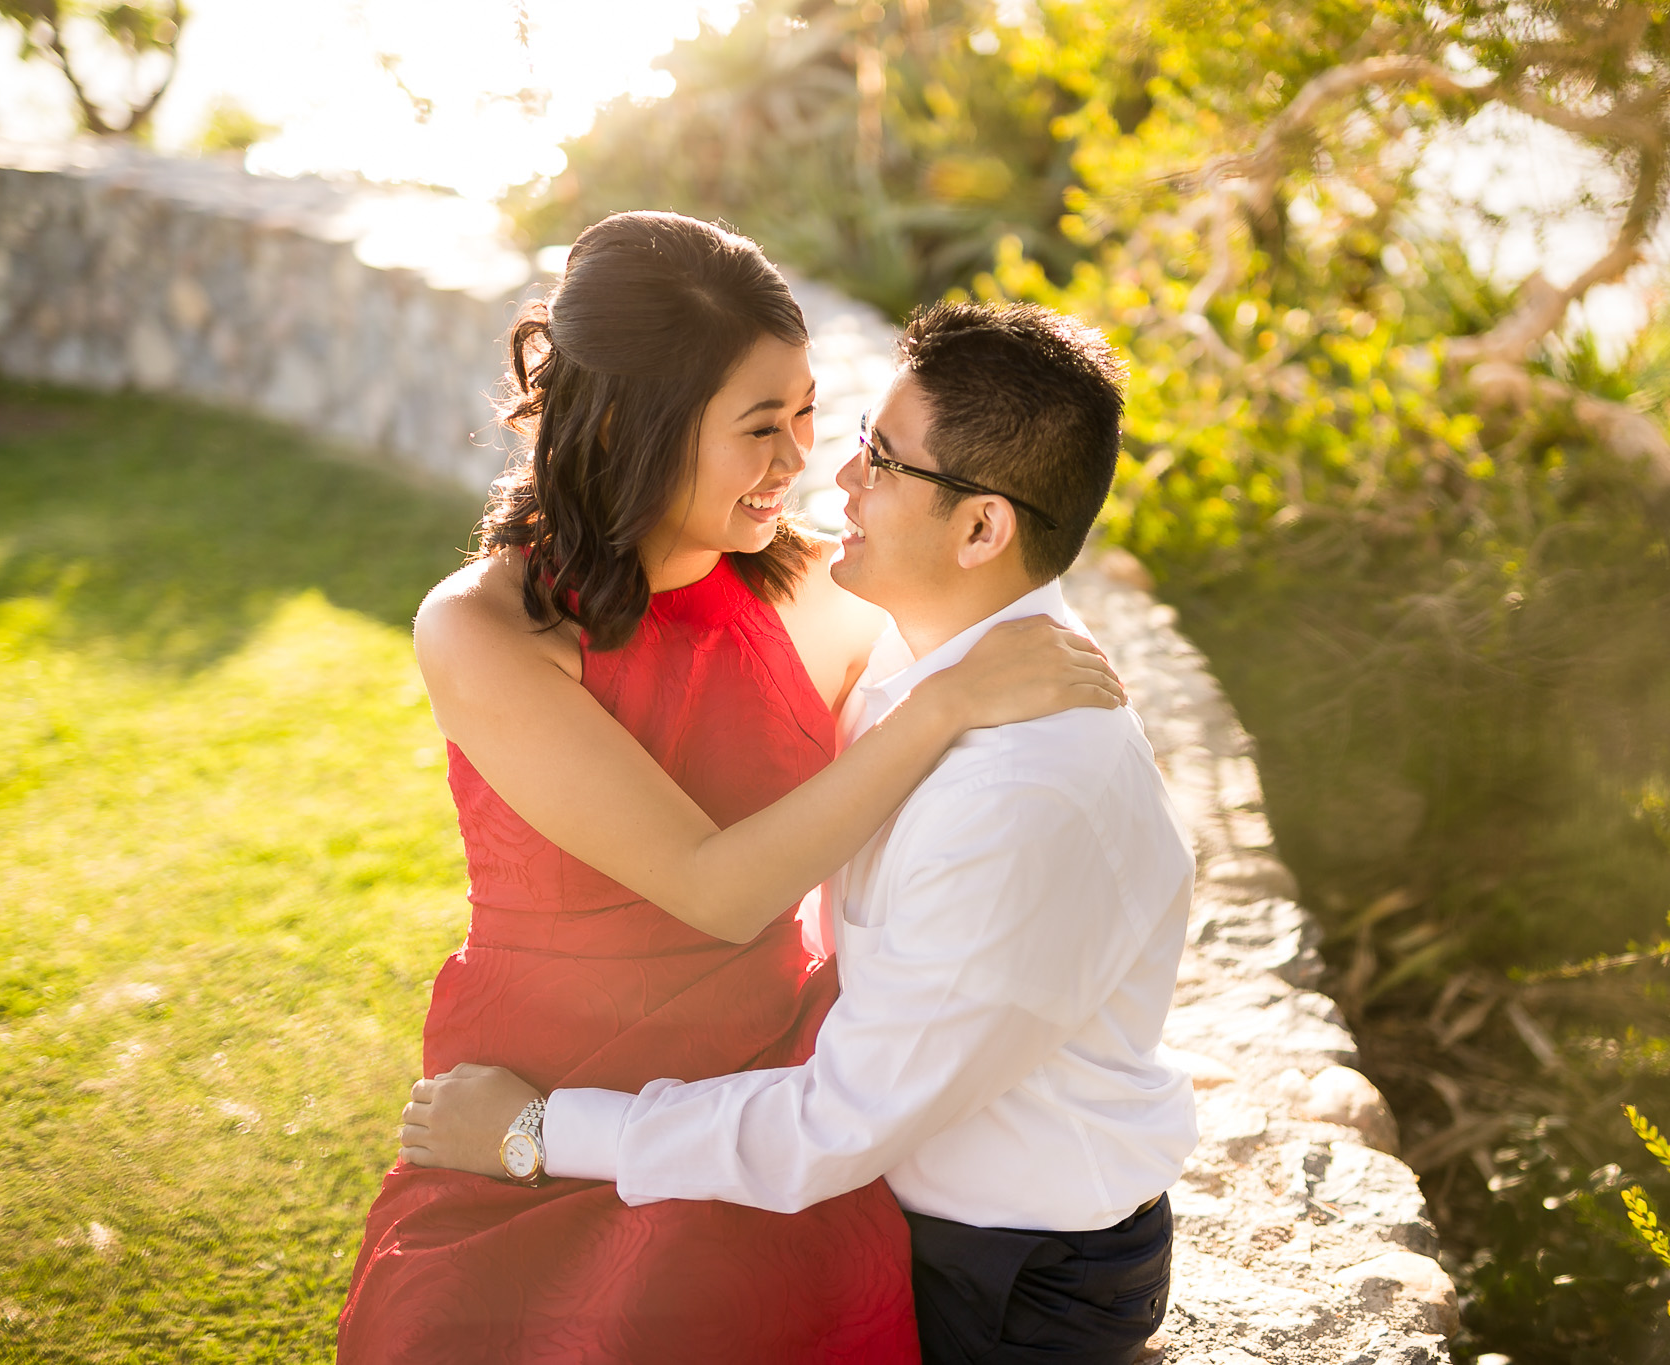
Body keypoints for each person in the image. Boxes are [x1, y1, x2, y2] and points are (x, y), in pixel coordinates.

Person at [337, 214, 1126, 1365]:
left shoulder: (817, 585)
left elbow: (989, 595)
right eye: (761, 426)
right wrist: (951, 708)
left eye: (811, 414)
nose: (801, 459)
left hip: (750, 1097)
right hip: (528, 1087)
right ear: (625, 424)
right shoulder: (486, 625)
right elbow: (713, 888)